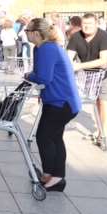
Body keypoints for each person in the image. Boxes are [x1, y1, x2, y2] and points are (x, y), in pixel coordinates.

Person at [25, 18, 81, 192]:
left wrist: (27, 75)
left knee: (44, 137)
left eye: (27, 30)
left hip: (62, 102)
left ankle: (55, 177)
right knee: (54, 138)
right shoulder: (41, 47)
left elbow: (43, 77)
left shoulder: (47, 48)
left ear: (35, 33)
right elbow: (43, 74)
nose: (25, 33)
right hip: (58, 101)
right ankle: (53, 175)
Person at [66, 13, 107, 147]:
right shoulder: (76, 37)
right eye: (84, 24)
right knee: (96, 100)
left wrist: (79, 66)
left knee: (104, 99)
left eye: (90, 24)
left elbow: (104, 60)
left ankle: (103, 136)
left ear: (96, 24)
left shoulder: (105, 36)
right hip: (92, 72)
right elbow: (68, 58)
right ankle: (99, 130)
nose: (87, 27)